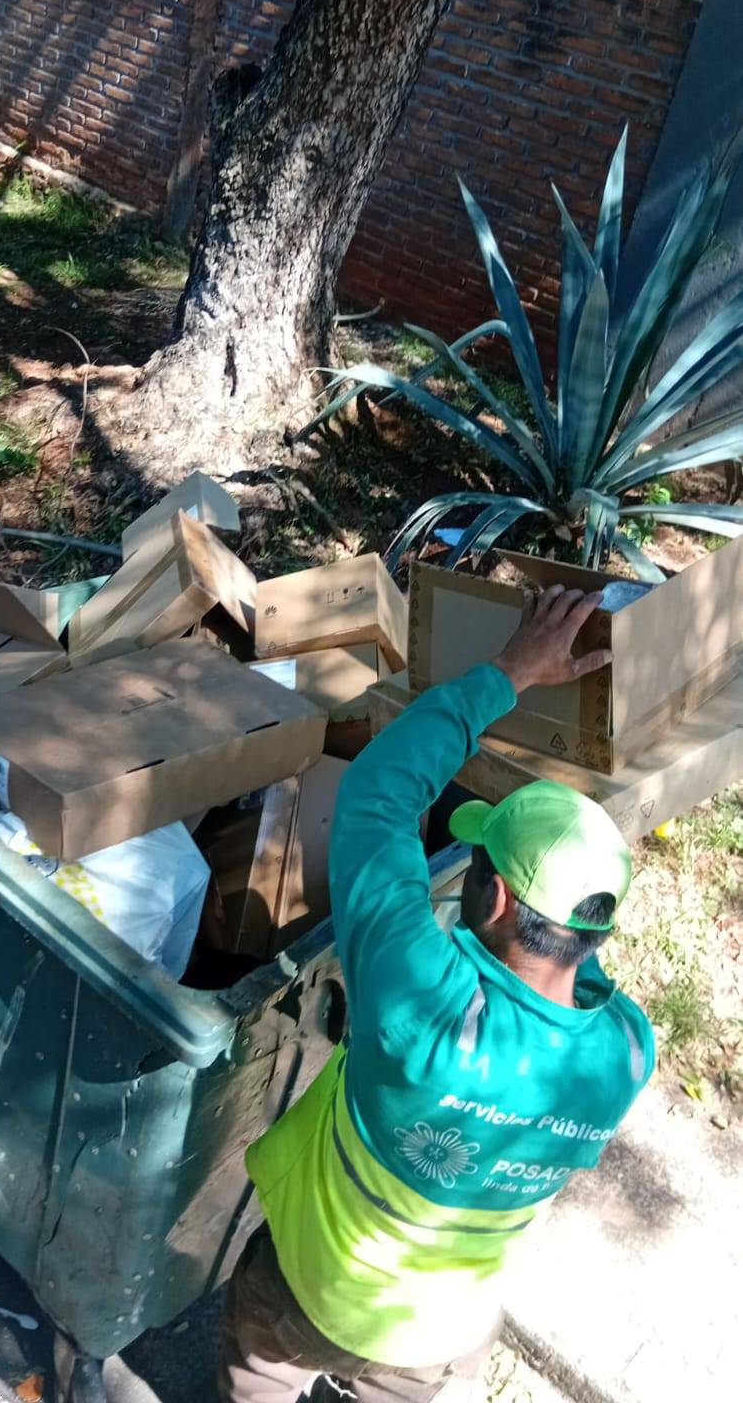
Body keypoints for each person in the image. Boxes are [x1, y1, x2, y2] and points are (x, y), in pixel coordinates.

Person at [219, 585, 655, 1402]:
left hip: (319, 1291)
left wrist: (509, 671)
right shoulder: (628, 1051)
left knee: (262, 1372)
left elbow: (379, 794)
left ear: (494, 899)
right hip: (447, 1330)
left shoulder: (425, 1009)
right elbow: (573, 978)